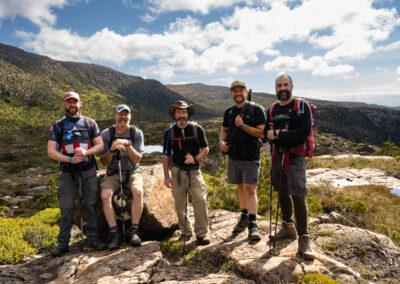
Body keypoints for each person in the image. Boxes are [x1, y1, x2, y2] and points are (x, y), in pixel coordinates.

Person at [48, 91, 106, 257]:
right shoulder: (57, 126)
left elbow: (100, 145)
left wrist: (87, 152)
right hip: (68, 171)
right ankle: (63, 243)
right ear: (64, 104)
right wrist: (68, 160)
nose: (72, 105)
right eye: (69, 102)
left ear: (80, 103)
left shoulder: (89, 123)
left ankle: (94, 239)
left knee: (90, 204)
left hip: (88, 169)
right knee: (66, 207)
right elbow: (51, 152)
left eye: (75, 102)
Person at [266, 74, 315, 260]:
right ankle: (288, 227)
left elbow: (303, 132)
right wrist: (277, 135)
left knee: (298, 195)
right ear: (276, 88)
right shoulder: (272, 108)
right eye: (279, 85)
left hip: (295, 156)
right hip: (278, 155)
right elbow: (266, 133)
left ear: (292, 86)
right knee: (281, 191)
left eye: (286, 84)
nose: (282, 88)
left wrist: (278, 134)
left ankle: (304, 239)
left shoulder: (302, 106)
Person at [219, 80, 266, 241]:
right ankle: (244, 215)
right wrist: (221, 143)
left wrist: (242, 125)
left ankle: (253, 224)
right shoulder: (229, 112)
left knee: (250, 189)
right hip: (234, 155)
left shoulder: (256, 110)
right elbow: (224, 130)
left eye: (241, 90)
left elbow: (261, 133)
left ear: (245, 92)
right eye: (235, 91)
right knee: (240, 187)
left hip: (251, 155)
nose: (238, 93)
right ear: (231, 93)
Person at [162, 100, 210, 245]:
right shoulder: (169, 132)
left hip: (194, 171)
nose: (181, 115)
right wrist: (166, 175)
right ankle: (185, 232)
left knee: (200, 200)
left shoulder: (197, 129)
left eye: (184, 112)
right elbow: (166, 155)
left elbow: (205, 149)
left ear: (188, 114)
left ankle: (201, 233)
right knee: (180, 204)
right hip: (177, 172)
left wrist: (195, 158)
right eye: (178, 112)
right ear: (174, 115)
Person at [100, 104, 145, 249]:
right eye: (120, 114)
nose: (123, 117)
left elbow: (137, 159)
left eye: (126, 114)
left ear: (130, 117)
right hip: (113, 172)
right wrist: (112, 149)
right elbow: (103, 161)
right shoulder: (106, 134)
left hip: (132, 171)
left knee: (137, 191)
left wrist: (128, 146)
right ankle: (114, 233)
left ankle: (134, 230)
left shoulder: (136, 133)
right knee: (106, 195)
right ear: (115, 116)